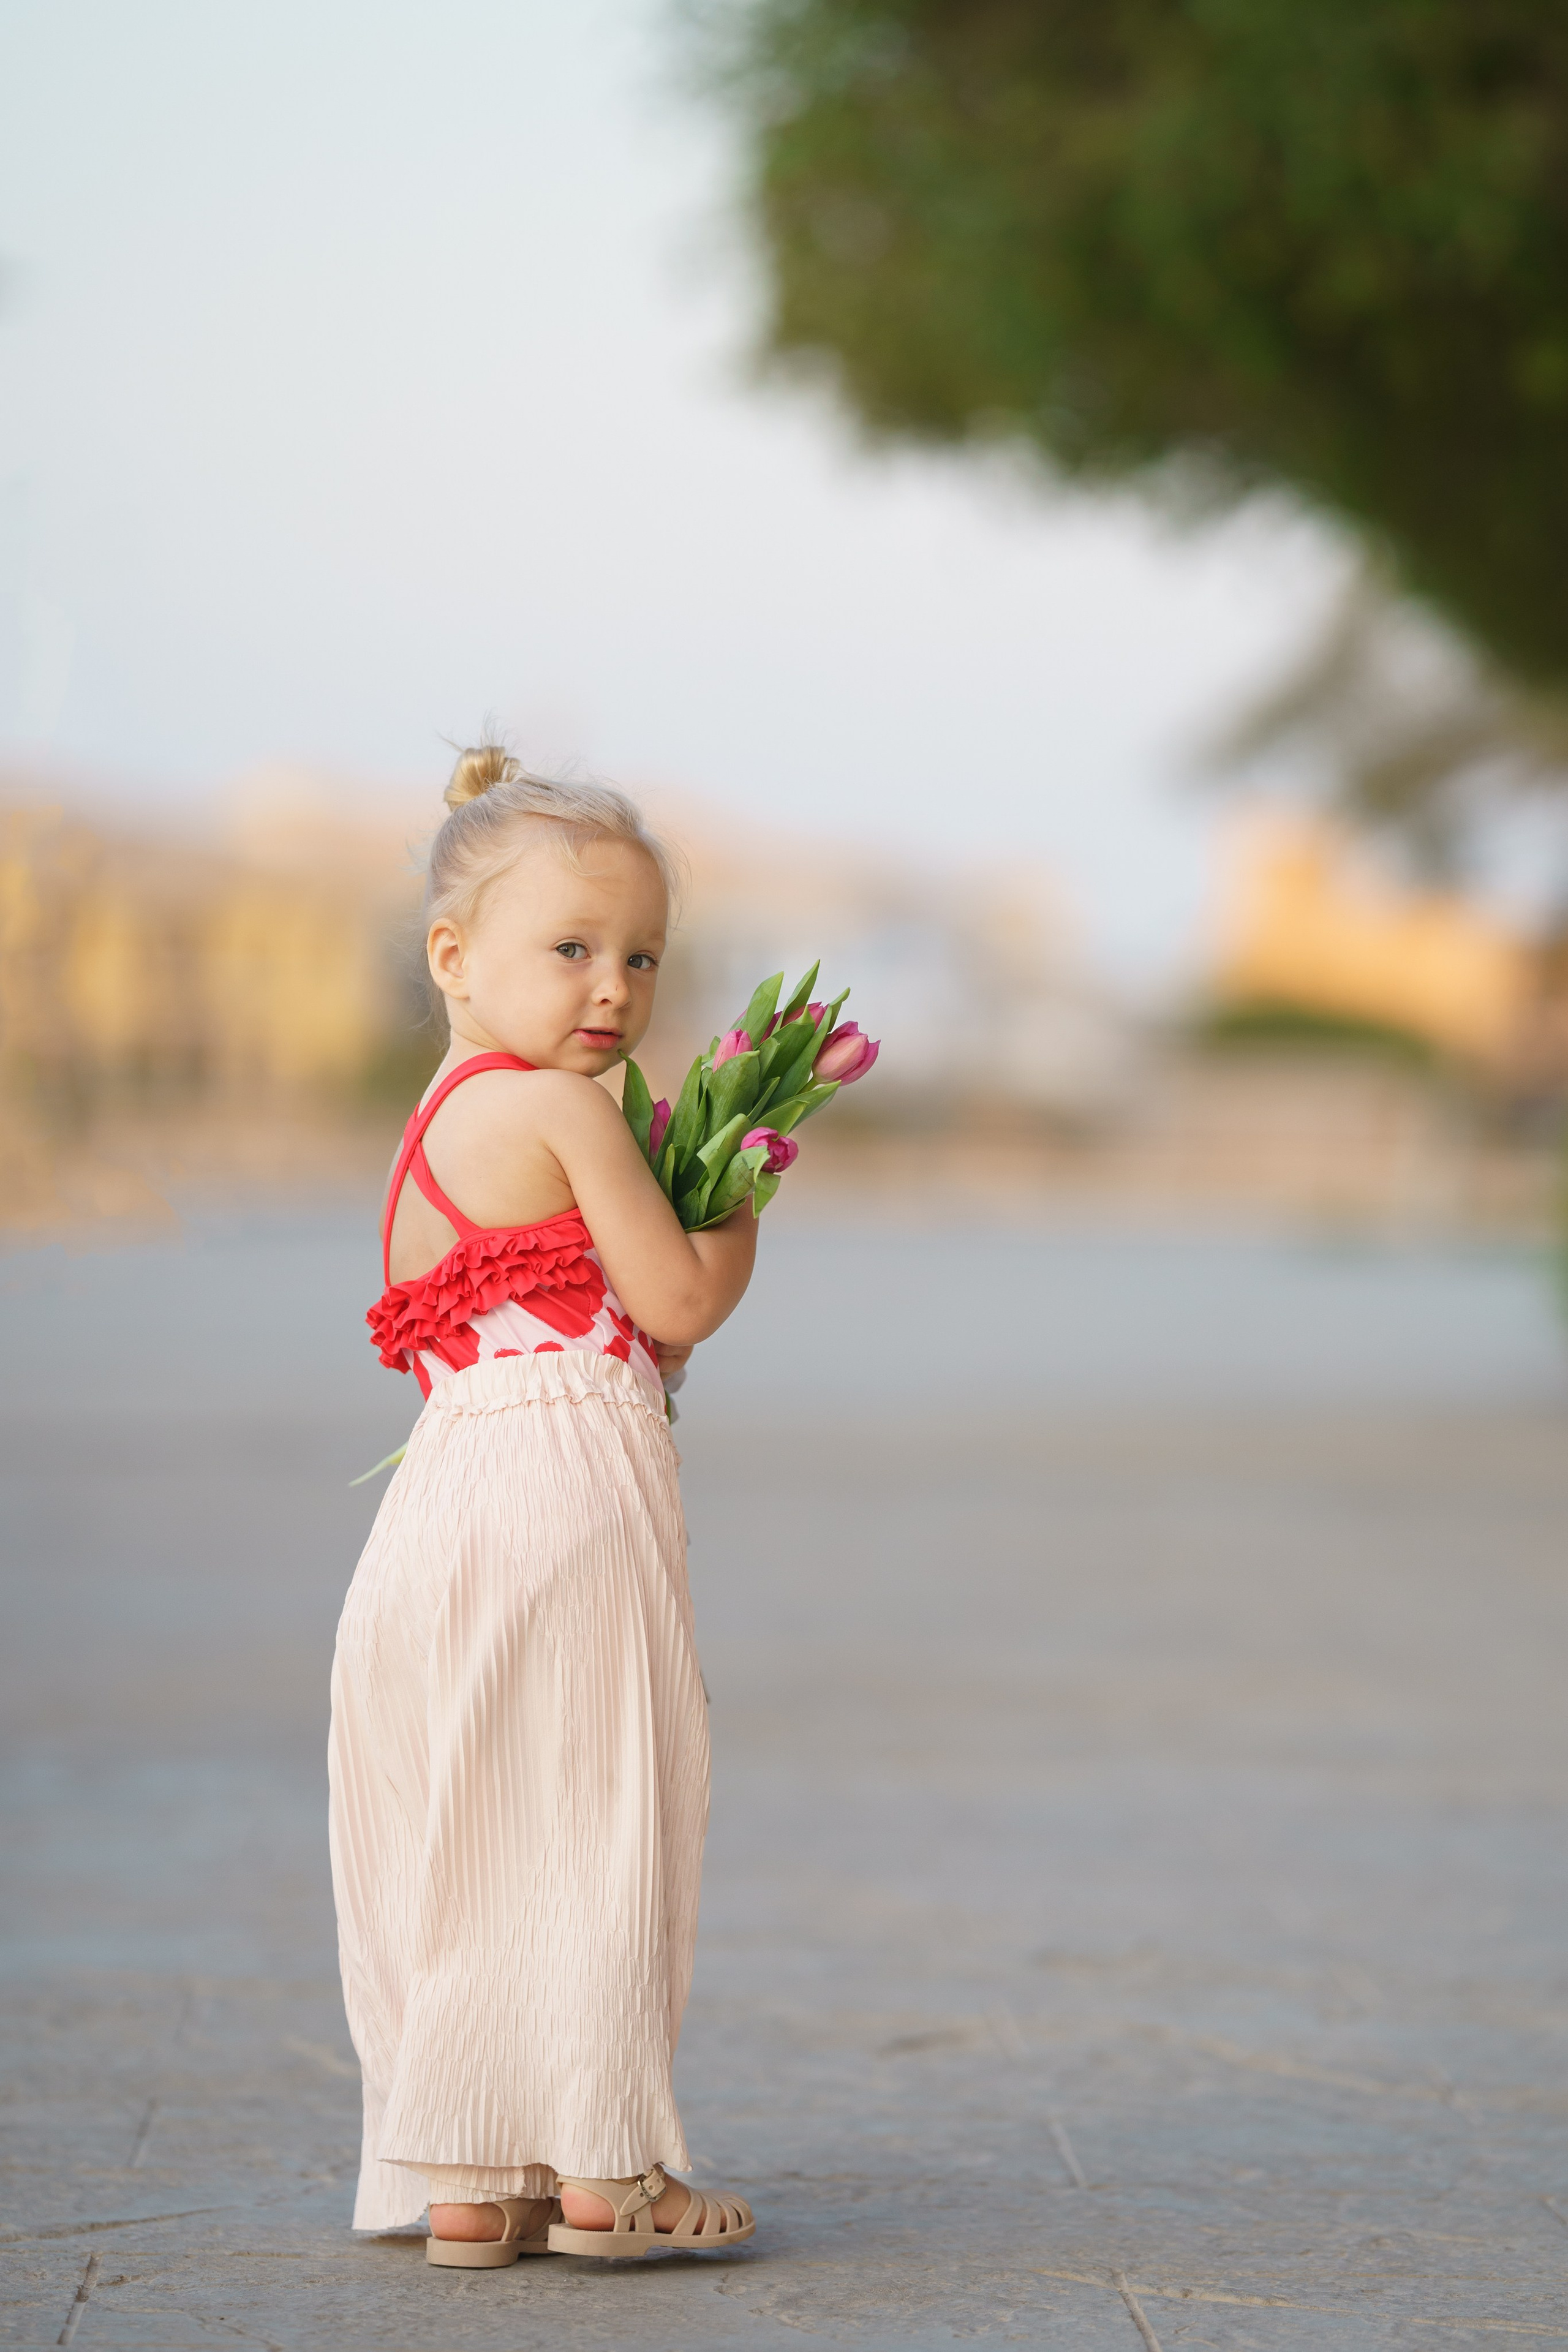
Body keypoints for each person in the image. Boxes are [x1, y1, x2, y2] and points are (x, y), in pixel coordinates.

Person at [328, 747, 756, 2266]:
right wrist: (739, 1199)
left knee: (469, 1826)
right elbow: (676, 1302)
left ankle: (469, 2181)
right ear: (453, 956)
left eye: (640, 956)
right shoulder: (566, 1113)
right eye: (571, 949)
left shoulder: (426, 1137)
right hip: (566, 1500)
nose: (613, 990)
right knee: (596, 1817)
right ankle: (604, 2179)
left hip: (444, 1509)